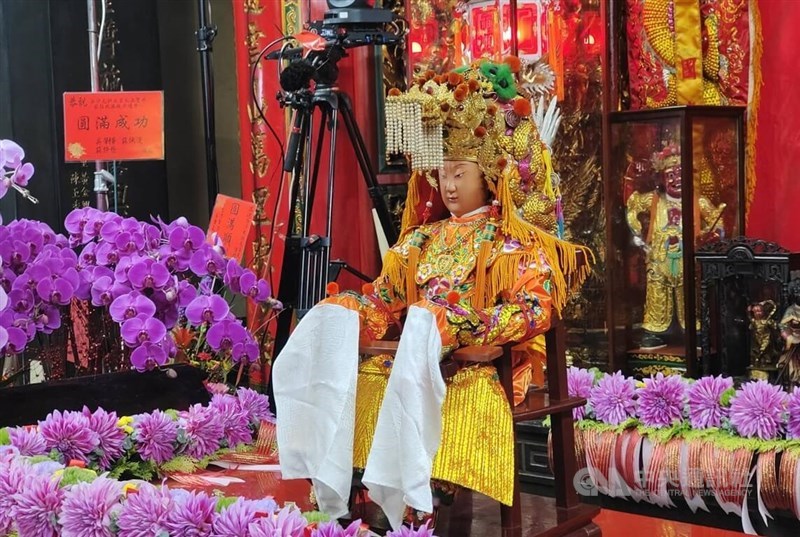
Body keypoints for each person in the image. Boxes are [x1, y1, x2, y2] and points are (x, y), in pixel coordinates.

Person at [273, 58, 591, 531]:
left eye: (460, 172)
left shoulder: (512, 242)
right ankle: (361, 494)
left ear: (488, 175)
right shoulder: (423, 238)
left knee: (449, 382)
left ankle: (416, 497)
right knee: (346, 346)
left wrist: (464, 324)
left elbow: (535, 309)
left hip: (485, 363)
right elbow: (385, 296)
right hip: (416, 355)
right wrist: (351, 312)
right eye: (442, 172)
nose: (448, 184)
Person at [626, 143, 725, 349]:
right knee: (657, 290)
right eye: (670, 175)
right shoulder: (655, 200)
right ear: (662, 178)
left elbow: (718, 221)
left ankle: (694, 330)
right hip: (659, 257)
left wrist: (711, 236)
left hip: (687, 258)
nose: (676, 179)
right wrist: (636, 232)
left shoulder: (698, 202)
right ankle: (654, 331)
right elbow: (632, 204)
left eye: (680, 174)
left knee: (690, 293)